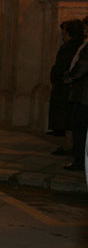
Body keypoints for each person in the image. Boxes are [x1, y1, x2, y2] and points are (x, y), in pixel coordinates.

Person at [48, 20, 84, 152]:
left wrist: (65, 77)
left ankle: (70, 146)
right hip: (69, 85)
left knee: (68, 117)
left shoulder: (70, 47)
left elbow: (69, 67)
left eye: (63, 32)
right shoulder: (77, 45)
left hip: (67, 86)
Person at [63, 21, 88, 171]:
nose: (85, 30)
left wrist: (70, 77)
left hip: (84, 95)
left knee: (80, 128)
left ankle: (79, 160)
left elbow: (83, 65)